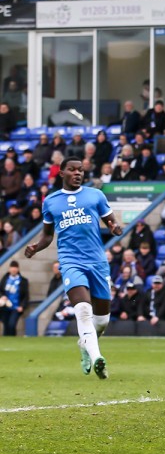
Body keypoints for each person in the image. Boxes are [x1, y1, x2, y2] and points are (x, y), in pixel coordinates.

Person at [25, 157, 123, 378]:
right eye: (72, 170)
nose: (78, 173)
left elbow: (111, 221)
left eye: (80, 170)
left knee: (102, 321)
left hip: (97, 261)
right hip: (70, 261)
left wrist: (115, 228)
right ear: (62, 173)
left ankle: (85, 346)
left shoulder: (95, 195)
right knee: (83, 309)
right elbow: (47, 235)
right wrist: (36, 247)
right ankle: (97, 358)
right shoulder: (51, 201)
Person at [0, 261, 28, 336]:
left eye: (15, 269)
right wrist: (2, 296)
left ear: (18, 269)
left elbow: (26, 295)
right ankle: (7, 340)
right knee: (6, 325)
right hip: (5, 307)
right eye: (12, 268)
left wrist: (22, 306)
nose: (13, 270)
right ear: (9, 269)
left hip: (16, 307)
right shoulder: (5, 279)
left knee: (12, 324)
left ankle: (13, 338)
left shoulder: (23, 281)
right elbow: (1, 291)